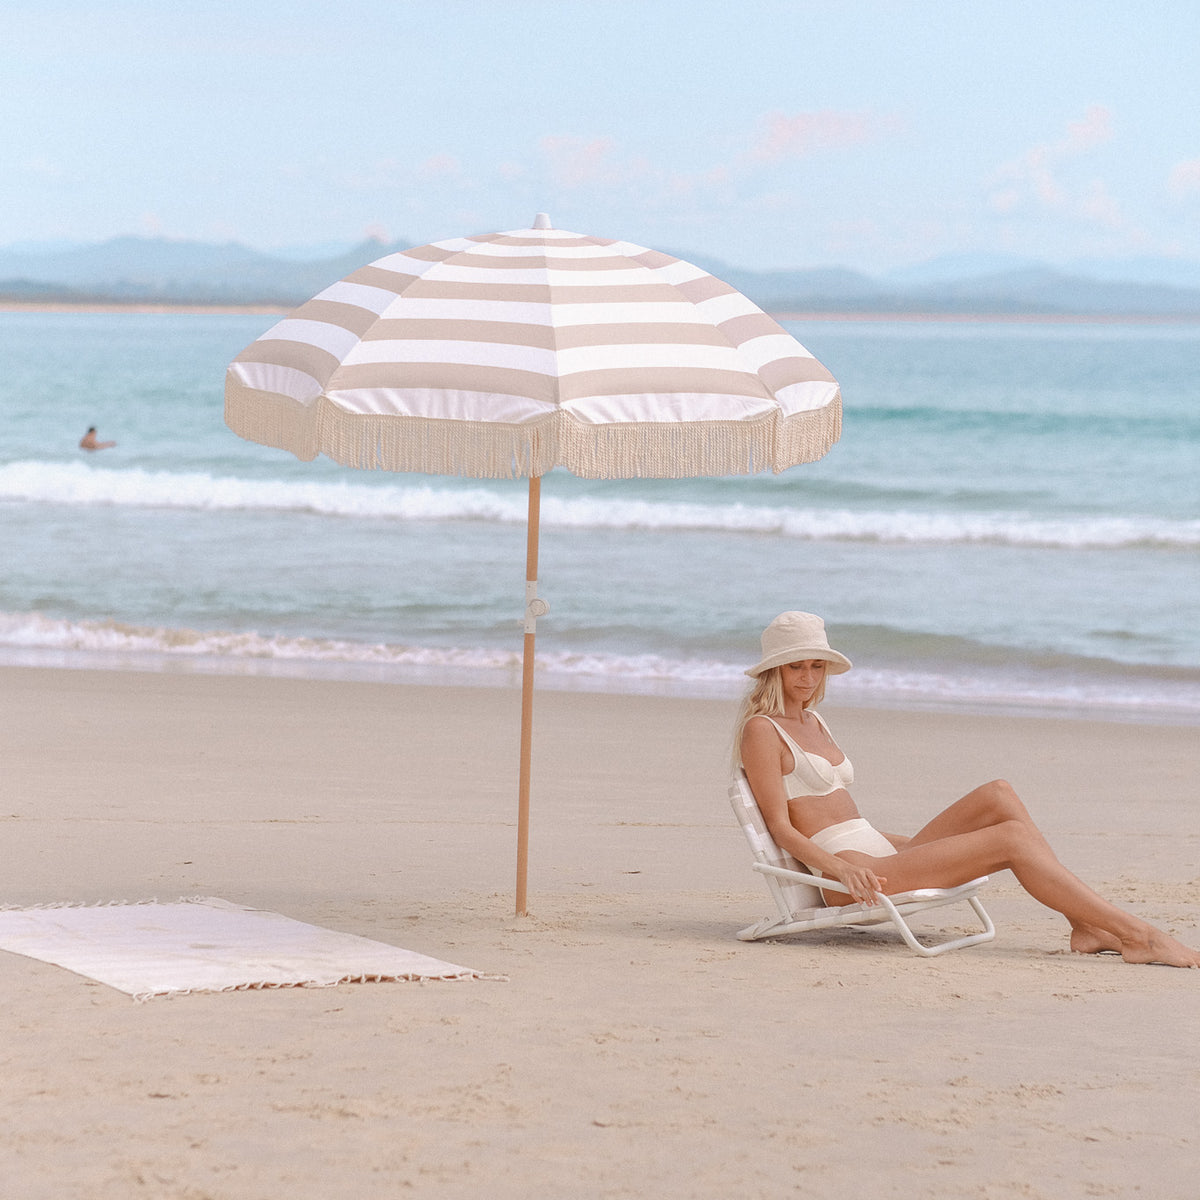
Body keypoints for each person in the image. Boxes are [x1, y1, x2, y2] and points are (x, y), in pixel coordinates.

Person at [735, 610, 1200, 968]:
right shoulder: (762, 730)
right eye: (796, 667)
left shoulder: (814, 719)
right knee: (1011, 840)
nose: (809, 678)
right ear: (774, 670)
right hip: (851, 877)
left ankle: (1084, 924)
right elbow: (780, 827)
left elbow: (845, 816)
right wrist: (839, 870)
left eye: (817, 666)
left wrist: (905, 844)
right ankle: (1140, 937)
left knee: (998, 793)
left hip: (879, 852)